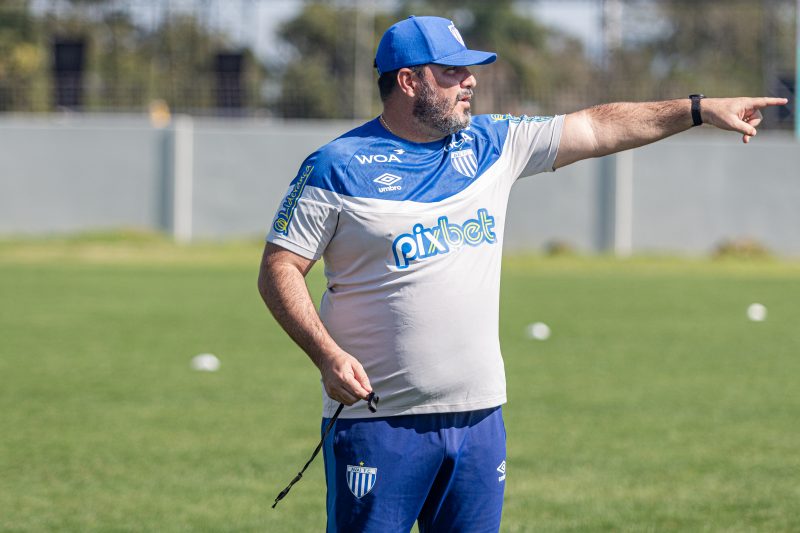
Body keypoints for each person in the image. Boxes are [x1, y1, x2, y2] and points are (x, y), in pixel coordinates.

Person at [258, 15, 787, 533]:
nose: (470, 81)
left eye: (470, 70)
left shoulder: (492, 144)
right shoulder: (337, 165)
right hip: (378, 424)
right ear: (408, 80)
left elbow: (600, 126)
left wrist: (698, 108)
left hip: (479, 419)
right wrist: (327, 356)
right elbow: (280, 267)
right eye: (451, 71)